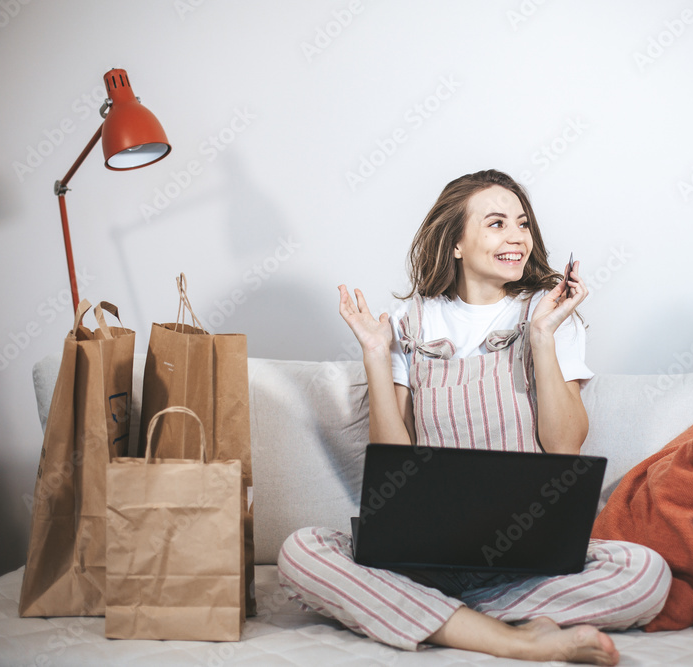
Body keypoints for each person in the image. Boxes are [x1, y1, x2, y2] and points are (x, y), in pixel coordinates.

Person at [278, 170, 670, 665]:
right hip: (423, 560)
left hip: (529, 560)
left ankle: (438, 619)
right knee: (301, 551)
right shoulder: (407, 323)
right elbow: (393, 464)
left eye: (523, 224)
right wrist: (376, 356)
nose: (517, 237)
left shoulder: (548, 312)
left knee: (646, 573)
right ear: (457, 243)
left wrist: (543, 336)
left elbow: (564, 447)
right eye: (497, 223)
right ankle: (513, 637)